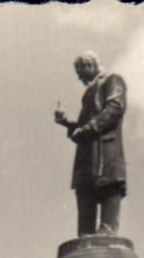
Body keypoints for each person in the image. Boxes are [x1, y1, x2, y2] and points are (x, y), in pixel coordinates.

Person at [54, 52, 127, 237]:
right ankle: (85, 235)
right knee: (85, 190)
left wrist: (89, 128)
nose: (79, 78)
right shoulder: (89, 93)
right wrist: (67, 123)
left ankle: (107, 228)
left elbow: (115, 107)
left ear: (89, 66)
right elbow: (81, 126)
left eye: (80, 72)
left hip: (104, 148)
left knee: (108, 184)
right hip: (87, 152)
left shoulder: (112, 81)